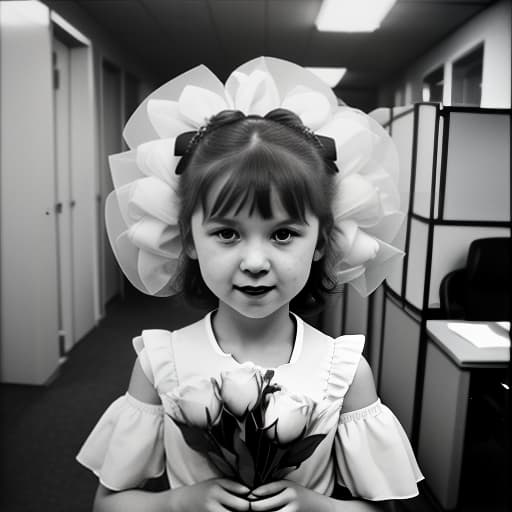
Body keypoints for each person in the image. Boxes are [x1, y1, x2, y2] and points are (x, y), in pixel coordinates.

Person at [77, 57, 423, 512]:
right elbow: (108, 504)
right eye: (227, 233)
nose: (255, 262)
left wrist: (315, 505)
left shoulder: (344, 370)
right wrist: (177, 503)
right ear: (189, 241)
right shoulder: (160, 363)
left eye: (283, 234)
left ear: (323, 241)